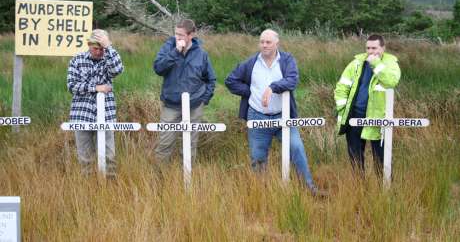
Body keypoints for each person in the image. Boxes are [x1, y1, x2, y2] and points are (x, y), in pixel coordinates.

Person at [225, 29, 323, 196]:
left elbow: (292, 80)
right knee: (258, 158)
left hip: (283, 116)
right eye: (262, 42)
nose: (264, 45)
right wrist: (251, 92)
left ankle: (309, 189)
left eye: (268, 42)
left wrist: (272, 87)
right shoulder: (251, 63)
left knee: (296, 148)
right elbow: (230, 80)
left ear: (277, 43)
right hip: (257, 116)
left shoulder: (287, 60)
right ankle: (261, 194)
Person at [334, 34, 401, 178]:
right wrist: (343, 108)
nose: (370, 51)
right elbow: (341, 86)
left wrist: (376, 64)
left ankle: (386, 192)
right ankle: (360, 191)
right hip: (355, 116)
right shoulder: (357, 63)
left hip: (378, 118)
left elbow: (391, 81)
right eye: (368, 48)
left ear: (383, 48)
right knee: (355, 157)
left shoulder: (390, 63)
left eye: (374, 48)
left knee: (381, 158)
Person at [153, 19, 216, 163]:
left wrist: (203, 100)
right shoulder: (168, 48)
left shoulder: (201, 54)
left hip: (194, 105)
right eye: (176, 34)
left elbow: (211, 79)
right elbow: (158, 68)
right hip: (171, 104)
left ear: (191, 34)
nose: (178, 37)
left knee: (189, 145)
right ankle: (158, 181)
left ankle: (187, 181)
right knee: (164, 144)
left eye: (181, 35)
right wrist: (175, 52)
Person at [67, 29, 124, 177]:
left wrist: (109, 47)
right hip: (82, 114)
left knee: (109, 156)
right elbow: (72, 86)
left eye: (101, 48)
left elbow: (118, 70)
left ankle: (110, 190)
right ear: (88, 45)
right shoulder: (77, 60)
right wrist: (95, 88)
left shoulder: (108, 58)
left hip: (106, 114)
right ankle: (89, 191)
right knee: (85, 158)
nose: (99, 52)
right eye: (95, 48)